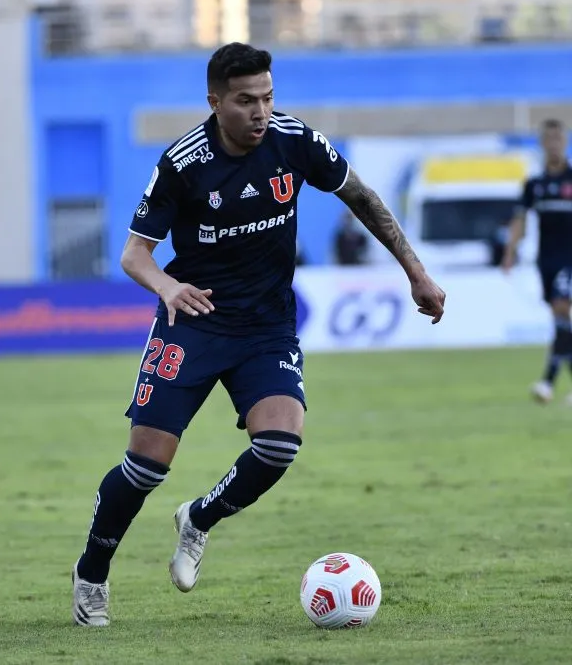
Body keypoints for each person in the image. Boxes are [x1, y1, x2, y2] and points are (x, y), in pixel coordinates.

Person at [70, 43, 446, 627]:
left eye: (268, 97)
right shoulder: (183, 163)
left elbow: (364, 198)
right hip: (192, 322)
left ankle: (198, 518)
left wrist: (415, 271)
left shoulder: (295, 141)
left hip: (266, 327)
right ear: (215, 101)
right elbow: (134, 255)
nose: (261, 111)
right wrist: (167, 288)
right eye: (246, 100)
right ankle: (92, 574)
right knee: (146, 467)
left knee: (279, 444)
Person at [502, 118, 572, 404]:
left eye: (559, 139)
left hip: (570, 259)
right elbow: (520, 219)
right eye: (549, 139)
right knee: (561, 321)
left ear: (564, 142)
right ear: (543, 144)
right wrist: (510, 252)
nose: (554, 144)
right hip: (546, 260)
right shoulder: (535, 184)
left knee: (560, 308)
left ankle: (547, 382)